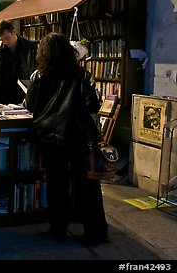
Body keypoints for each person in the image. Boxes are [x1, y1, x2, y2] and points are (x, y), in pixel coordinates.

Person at [23, 32, 108, 245]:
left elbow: (30, 107)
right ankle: (95, 233)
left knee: (56, 184)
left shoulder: (37, 76)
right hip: (77, 136)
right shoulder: (81, 75)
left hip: (49, 138)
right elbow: (93, 105)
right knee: (87, 186)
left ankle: (58, 229)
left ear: (43, 54)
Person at [0, 19, 37, 105]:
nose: (6, 42)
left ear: (13, 31)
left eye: (7, 38)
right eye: (2, 40)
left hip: (22, 97)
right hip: (1, 98)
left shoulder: (30, 49)